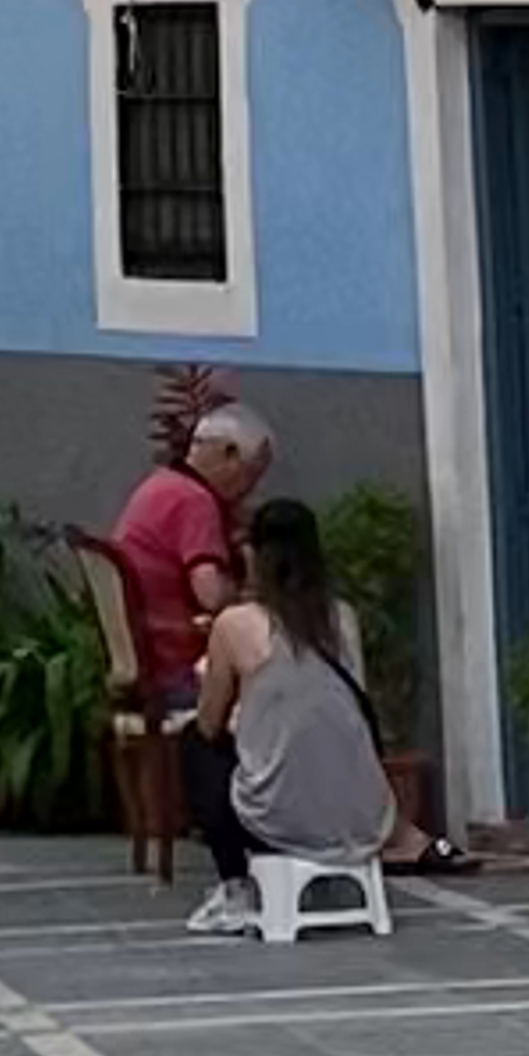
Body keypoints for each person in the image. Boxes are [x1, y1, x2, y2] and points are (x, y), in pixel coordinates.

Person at [183, 495, 397, 937]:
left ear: (253, 555)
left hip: (274, 819)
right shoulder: (342, 618)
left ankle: (234, 887)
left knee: (195, 744)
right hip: (363, 817)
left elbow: (209, 722)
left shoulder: (235, 624)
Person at [111, 401, 271, 709]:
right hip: (174, 668)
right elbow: (211, 595)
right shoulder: (195, 502)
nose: (249, 490)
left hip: (143, 657)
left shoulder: (160, 485)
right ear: (230, 455)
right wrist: (249, 587)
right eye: (252, 475)